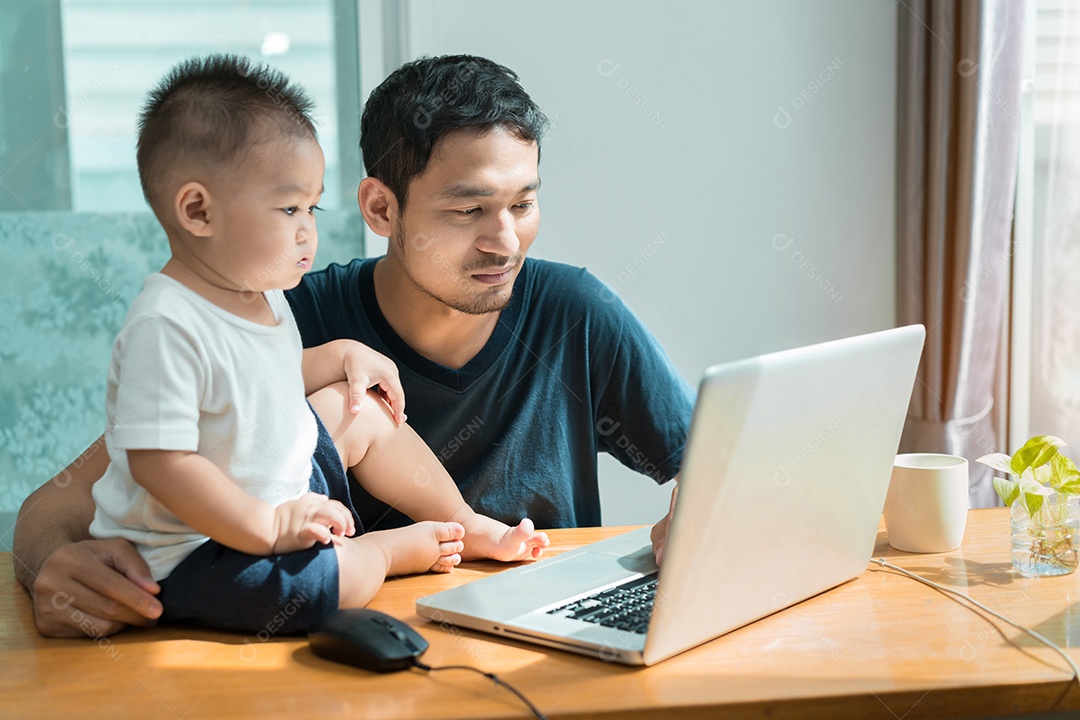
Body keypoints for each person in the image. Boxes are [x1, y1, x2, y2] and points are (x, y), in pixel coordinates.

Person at [12, 54, 694, 638]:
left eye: (522, 204)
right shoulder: (283, 312)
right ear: (380, 209)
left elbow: (711, 464)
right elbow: (64, 502)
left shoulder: (575, 315)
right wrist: (53, 564)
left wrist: (695, 520)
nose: (506, 241)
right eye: (469, 210)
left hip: (540, 656)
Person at [79, 53, 548, 634]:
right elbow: (159, 461)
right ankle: (390, 551)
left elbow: (252, 385)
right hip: (200, 550)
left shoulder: (261, 295)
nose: (309, 231)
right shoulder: (166, 324)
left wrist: (335, 356)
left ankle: (464, 521)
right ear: (198, 211)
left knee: (363, 409)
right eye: (287, 208)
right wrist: (269, 527)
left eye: (312, 206)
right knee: (340, 583)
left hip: (280, 491)